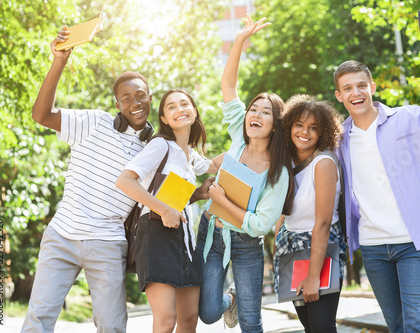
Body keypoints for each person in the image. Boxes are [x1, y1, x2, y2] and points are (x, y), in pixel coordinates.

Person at [22, 28, 210, 333]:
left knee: (112, 327)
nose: (134, 103)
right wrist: (58, 61)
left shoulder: (158, 146)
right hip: (63, 233)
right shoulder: (93, 122)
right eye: (126, 99)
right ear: (118, 105)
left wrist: (198, 195)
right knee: (39, 320)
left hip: (109, 242)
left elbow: (171, 194)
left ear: (150, 100)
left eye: (140, 96)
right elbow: (42, 115)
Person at [334, 58, 420, 332]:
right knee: (396, 325)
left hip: (416, 243)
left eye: (362, 85)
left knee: (417, 323)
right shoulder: (338, 138)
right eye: (348, 88)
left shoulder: (409, 117)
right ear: (339, 96)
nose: (356, 93)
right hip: (373, 247)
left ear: (372, 87)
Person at [197, 15, 294, 332]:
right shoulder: (238, 138)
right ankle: (231, 299)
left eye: (266, 112)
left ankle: (243, 301)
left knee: (252, 322)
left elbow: (259, 226)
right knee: (210, 312)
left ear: (276, 123)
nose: (256, 114)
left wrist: (222, 200)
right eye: (254, 108)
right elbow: (228, 86)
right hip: (212, 233)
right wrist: (239, 41)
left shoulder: (279, 172)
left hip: (246, 244)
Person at [116, 88, 220, 333]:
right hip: (156, 236)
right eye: (171, 107)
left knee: (188, 320)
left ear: (194, 111)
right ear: (163, 118)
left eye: (184, 104)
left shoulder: (190, 155)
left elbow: (214, 164)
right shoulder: (161, 145)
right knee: (166, 320)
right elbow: (125, 181)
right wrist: (164, 210)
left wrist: (252, 140)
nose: (179, 109)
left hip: (186, 239)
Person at [274, 94, 347, 333]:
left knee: (322, 326)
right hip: (291, 249)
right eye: (299, 125)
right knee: (309, 326)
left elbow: (324, 223)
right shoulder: (287, 162)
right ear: (289, 126)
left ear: (322, 132)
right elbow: (284, 210)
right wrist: (277, 239)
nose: (305, 132)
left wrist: (314, 275)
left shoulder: (323, 163)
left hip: (320, 248)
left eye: (313, 127)